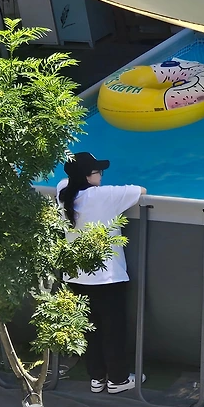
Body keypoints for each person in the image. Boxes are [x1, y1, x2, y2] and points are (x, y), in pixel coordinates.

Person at [56, 152, 146, 394]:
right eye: (98, 172)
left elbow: (66, 181)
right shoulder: (105, 196)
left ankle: (97, 378)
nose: (102, 175)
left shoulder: (63, 191)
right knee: (113, 330)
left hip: (75, 276)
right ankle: (117, 380)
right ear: (88, 176)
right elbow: (141, 190)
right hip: (108, 278)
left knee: (89, 329)